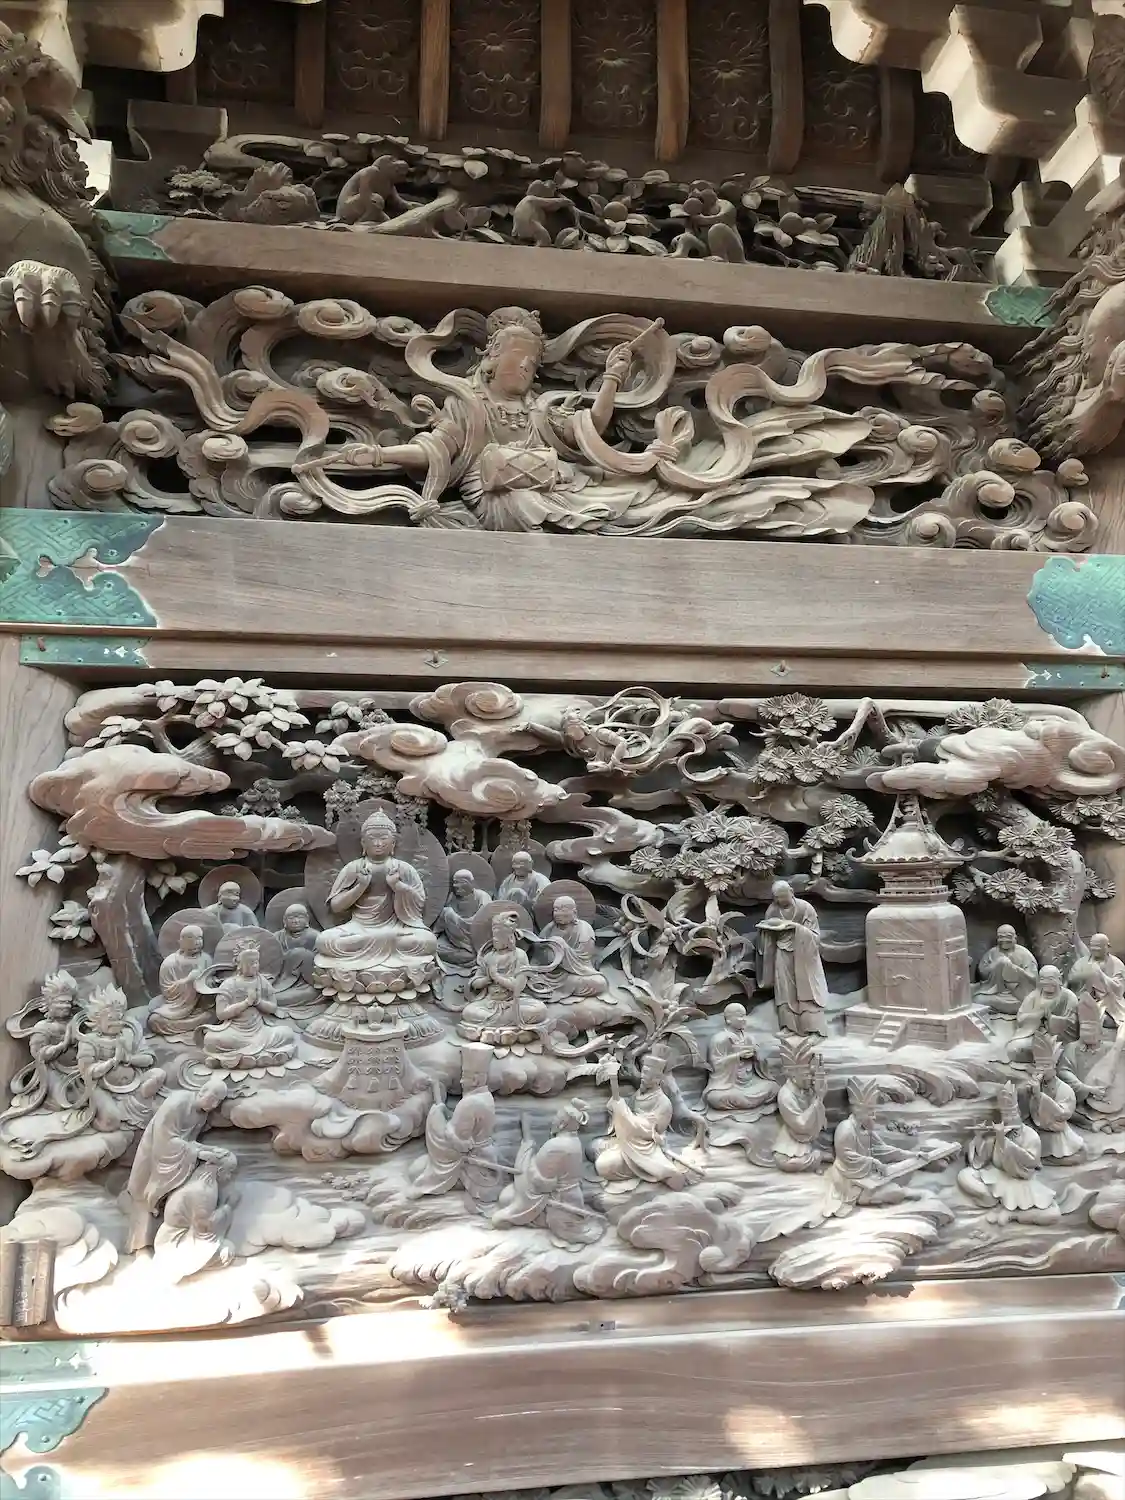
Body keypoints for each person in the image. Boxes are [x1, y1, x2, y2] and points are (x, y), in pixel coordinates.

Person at [313, 810, 439, 999]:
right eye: (373, 838)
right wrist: (360, 887)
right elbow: (336, 906)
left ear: (393, 843)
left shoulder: (404, 869)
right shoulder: (354, 868)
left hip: (396, 929)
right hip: (359, 928)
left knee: (427, 941)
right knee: (325, 940)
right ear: (363, 843)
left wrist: (398, 886)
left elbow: (419, 902)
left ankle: (358, 972)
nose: (378, 843)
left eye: (384, 838)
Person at [123, 1077, 234, 1252]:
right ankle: (141, 1251)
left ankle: (167, 1244)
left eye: (218, 1102)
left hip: (177, 1162)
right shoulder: (178, 1102)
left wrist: (208, 1149)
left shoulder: (202, 1114)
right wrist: (198, 1153)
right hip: (156, 1157)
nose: (214, 1105)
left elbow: (189, 1141)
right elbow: (164, 1138)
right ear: (202, 1091)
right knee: (144, 1199)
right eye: (213, 1099)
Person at [493, 1099, 604, 1246]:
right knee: (507, 1195)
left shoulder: (556, 1145)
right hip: (571, 1199)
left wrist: (526, 1152)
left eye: (556, 1117)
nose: (553, 1120)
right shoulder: (573, 1141)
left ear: (562, 1123)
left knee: (504, 1202)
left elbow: (540, 1183)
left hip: (557, 1204)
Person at [594, 1050, 706, 1195]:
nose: (643, 1078)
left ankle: (659, 1172)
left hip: (645, 1147)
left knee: (603, 1165)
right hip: (627, 1140)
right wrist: (618, 1111)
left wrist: (620, 1106)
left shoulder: (663, 1103)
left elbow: (647, 1129)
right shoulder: (638, 1095)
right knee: (593, 1148)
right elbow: (627, 1117)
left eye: (647, 1076)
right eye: (643, 1074)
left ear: (657, 1079)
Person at [957, 1082, 1060, 1225]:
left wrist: (1003, 1141)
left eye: (1012, 1114)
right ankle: (992, 1201)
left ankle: (1013, 1214)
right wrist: (979, 1136)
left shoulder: (1031, 1135)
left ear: (1019, 1114)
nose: (1008, 1119)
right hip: (996, 1175)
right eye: (1005, 1115)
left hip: (1020, 1182)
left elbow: (1031, 1162)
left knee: (1053, 1214)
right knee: (965, 1175)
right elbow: (982, 1159)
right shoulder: (1001, 1131)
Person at [411, 1044, 501, 1205]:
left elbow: (458, 1143)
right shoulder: (486, 1097)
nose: (461, 1080)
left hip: (471, 1162)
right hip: (487, 1154)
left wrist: (436, 1116)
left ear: (476, 1080)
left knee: (415, 1172)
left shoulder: (469, 1103)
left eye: (465, 1076)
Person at [203, 944, 297, 1070]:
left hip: (261, 1031)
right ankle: (263, 1056)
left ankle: (233, 1058)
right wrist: (246, 1003)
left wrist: (258, 1002)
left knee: (287, 1033)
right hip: (236, 1031)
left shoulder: (262, 981)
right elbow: (221, 1014)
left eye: (256, 962)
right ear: (240, 965)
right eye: (250, 963)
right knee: (210, 1039)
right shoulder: (229, 984)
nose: (254, 966)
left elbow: (273, 1008)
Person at [755, 880, 828, 1035]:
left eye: (783, 896)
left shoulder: (805, 908)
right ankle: (789, 1027)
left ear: (791, 891)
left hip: (804, 955)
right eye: (777, 898)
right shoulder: (773, 910)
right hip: (782, 952)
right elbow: (767, 936)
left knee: (807, 991)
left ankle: (814, 1030)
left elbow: (815, 937)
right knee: (784, 991)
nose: (781, 900)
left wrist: (794, 927)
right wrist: (767, 930)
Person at [703, 1003, 777, 1120]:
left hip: (751, 1083)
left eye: (745, 1016)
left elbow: (761, 1063)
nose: (744, 1019)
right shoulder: (719, 1039)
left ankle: (749, 1103)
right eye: (740, 1016)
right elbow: (715, 1065)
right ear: (728, 1019)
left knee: (774, 1087)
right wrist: (737, 1056)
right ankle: (750, 1104)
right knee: (714, 1098)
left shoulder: (749, 1038)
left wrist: (755, 1056)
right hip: (727, 1086)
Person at [536, 894, 609, 1001]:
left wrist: (562, 948)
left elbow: (584, 958)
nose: (558, 914)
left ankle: (550, 990)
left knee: (599, 983)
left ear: (574, 912)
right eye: (556, 910)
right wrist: (550, 956)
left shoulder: (584, 928)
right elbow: (538, 950)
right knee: (531, 979)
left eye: (563, 910)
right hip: (550, 973)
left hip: (578, 973)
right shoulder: (550, 928)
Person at [149, 924, 212, 1038]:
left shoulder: (206, 959)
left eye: (200, 938)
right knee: (154, 1020)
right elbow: (167, 991)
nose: (197, 942)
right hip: (175, 1007)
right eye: (192, 938)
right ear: (181, 941)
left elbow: (211, 984)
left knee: (214, 1013)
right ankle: (194, 1025)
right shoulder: (170, 963)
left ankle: (192, 1024)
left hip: (199, 1007)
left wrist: (206, 983)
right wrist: (189, 981)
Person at [1008, 965, 1079, 1064]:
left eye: (1050, 979)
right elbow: (1021, 1018)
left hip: (1059, 1040)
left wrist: (1051, 1019)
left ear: (1059, 980)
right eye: (1043, 979)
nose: (1046, 982)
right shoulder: (1034, 996)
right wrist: (1038, 1016)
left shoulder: (1068, 997)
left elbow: (1073, 1024)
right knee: (1014, 1049)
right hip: (1035, 1035)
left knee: (1066, 1053)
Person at [975, 924, 1038, 1015]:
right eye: (1001, 937)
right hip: (995, 992)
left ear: (1015, 938)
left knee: (1030, 1003)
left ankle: (999, 1008)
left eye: (1008, 936)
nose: (1004, 940)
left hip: (1017, 995)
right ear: (997, 938)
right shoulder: (992, 953)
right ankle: (1006, 1008)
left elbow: (1033, 978)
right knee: (978, 1000)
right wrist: (997, 965)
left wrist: (1014, 971)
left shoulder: (1024, 954)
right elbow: (982, 973)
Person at [436, 869, 490, 965]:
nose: (455, 886)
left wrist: (461, 923)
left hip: (473, 938)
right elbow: (442, 922)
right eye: (454, 882)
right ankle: (468, 955)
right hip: (453, 939)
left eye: (459, 882)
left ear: (469, 883)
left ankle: (472, 953)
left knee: (447, 912)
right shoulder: (452, 897)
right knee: (437, 947)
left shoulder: (482, 896)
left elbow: (485, 918)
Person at [1069, 933, 1125, 1024]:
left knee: (1112, 1019)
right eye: (1093, 949)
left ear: (1107, 947)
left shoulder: (1116, 963)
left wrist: (1101, 975)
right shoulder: (1082, 962)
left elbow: (1119, 989)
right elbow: (1071, 979)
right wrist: (1086, 974)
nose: (1095, 952)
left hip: (1110, 1001)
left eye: (1099, 949)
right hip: (1084, 998)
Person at [497, 850, 549, 917]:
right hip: (508, 915)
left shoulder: (540, 879)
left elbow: (544, 900)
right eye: (515, 863)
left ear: (530, 864)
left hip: (531, 915)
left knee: (517, 892)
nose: (518, 866)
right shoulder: (508, 881)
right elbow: (501, 899)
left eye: (522, 863)